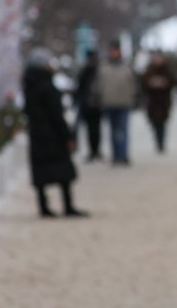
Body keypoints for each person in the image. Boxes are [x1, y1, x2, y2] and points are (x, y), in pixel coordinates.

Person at [21, 47, 88, 218]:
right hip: (52, 135)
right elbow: (56, 114)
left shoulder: (29, 86)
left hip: (37, 135)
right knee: (63, 171)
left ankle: (44, 206)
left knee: (41, 172)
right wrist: (67, 135)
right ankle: (68, 205)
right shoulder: (46, 86)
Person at [96, 39, 137, 166]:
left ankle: (123, 155)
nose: (114, 53)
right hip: (109, 103)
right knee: (113, 131)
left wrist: (134, 98)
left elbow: (133, 84)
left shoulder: (126, 66)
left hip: (124, 103)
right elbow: (99, 85)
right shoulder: (104, 66)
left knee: (123, 130)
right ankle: (115, 156)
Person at [140, 50, 177, 154]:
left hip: (163, 101)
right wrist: (151, 83)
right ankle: (157, 142)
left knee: (162, 123)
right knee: (154, 123)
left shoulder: (168, 70)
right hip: (152, 101)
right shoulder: (149, 70)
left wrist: (165, 83)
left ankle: (161, 144)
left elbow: (174, 81)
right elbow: (143, 83)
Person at [73, 49, 103, 162]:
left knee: (91, 129)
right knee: (96, 128)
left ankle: (93, 151)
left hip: (88, 104)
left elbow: (79, 88)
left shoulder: (86, 70)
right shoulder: (97, 69)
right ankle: (95, 150)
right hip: (95, 104)